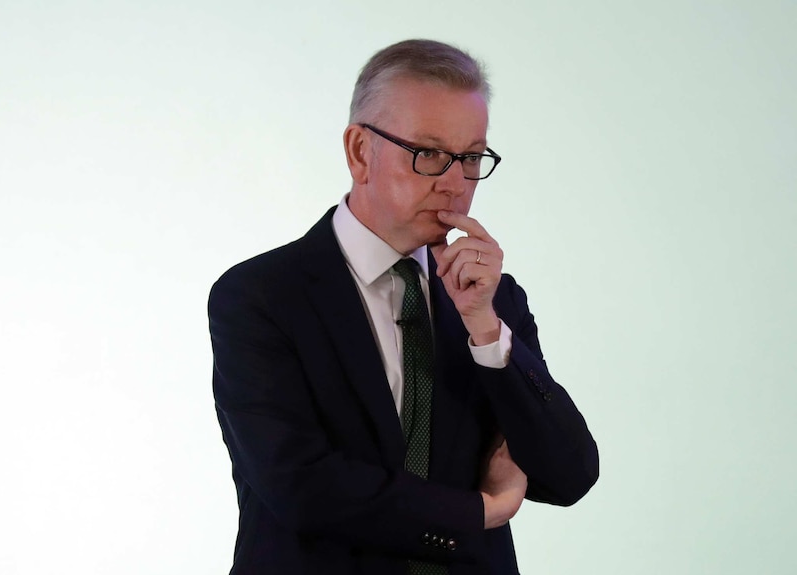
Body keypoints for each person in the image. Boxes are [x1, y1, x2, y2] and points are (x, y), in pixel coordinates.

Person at [208, 39, 599, 575]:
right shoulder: (259, 295)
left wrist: (486, 332)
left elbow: (569, 474)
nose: (456, 183)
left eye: (470, 157)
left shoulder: (494, 300)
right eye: (430, 153)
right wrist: (481, 511)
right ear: (360, 152)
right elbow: (303, 487)